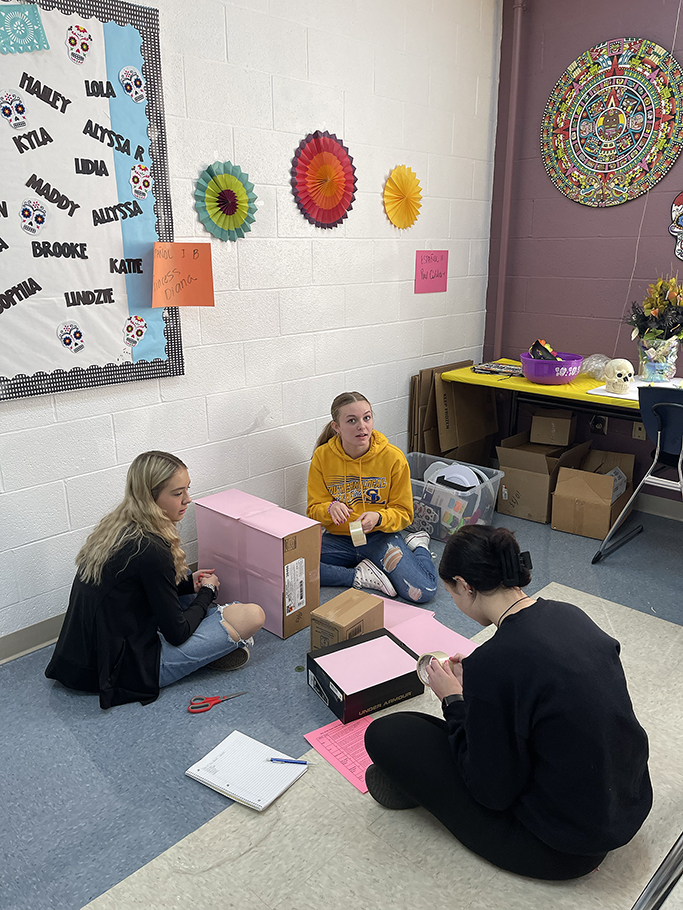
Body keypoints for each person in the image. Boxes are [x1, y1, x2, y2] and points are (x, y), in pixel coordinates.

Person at [364, 525, 652, 880]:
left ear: (465, 585)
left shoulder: (494, 663)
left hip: (557, 849)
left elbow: (491, 792)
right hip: (621, 809)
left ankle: (415, 787)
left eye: (452, 592)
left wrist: (454, 699)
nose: (455, 601)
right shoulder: (570, 613)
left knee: (386, 734)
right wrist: (482, 690)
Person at [45, 451, 265, 709]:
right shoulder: (150, 548)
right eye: (177, 493)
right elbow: (177, 633)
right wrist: (207, 591)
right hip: (120, 671)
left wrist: (186, 584)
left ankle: (209, 651)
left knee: (193, 598)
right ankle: (207, 655)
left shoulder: (118, 525)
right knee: (252, 616)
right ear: (150, 496)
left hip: (87, 659)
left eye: (187, 490)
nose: (187, 500)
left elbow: (137, 589)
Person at [307, 392, 437, 603]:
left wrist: (379, 518)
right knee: (291, 567)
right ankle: (358, 575)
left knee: (423, 591)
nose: (362, 426)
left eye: (367, 418)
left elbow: (405, 513)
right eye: (352, 420)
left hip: (380, 536)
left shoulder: (393, 458)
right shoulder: (322, 458)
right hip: (340, 538)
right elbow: (314, 509)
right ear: (336, 427)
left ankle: (419, 546)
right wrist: (329, 508)